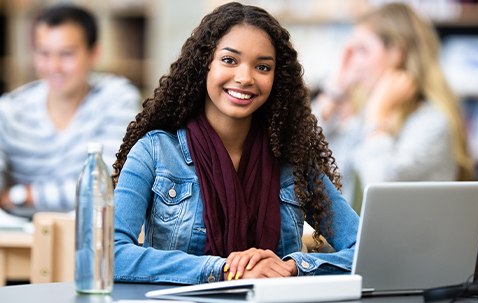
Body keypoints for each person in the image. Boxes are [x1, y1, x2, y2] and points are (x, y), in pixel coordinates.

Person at [112, 2, 359, 284]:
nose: (245, 78)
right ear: (204, 64)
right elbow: (112, 254)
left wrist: (293, 267)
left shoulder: (294, 159)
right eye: (229, 60)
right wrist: (222, 269)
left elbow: (364, 248)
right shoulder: (154, 152)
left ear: (276, 78)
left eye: (262, 67)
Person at [313, 3, 475, 206]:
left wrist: (378, 116)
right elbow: (308, 155)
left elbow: (381, 192)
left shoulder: (432, 122)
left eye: (362, 50)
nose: (354, 62)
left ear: (396, 52)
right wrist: (334, 88)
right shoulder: (368, 114)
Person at [0, 5, 141, 214]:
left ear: (94, 54)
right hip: (19, 240)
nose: (54, 66)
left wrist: (21, 195)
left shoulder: (117, 98)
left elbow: (109, 182)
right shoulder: (10, 109)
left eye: (66, 54)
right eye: (44, 53)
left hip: (92, 235)